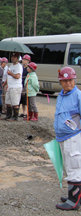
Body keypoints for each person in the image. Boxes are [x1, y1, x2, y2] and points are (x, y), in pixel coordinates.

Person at [54, 67, 81, 210]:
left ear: (74, 80)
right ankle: (76, 195)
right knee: (68, 164)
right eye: (64, 81)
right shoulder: (61, 95)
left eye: (70, 80)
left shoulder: (78, 95)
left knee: (74, 165)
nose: (67, 83)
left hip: (74, 136)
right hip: (63, 136)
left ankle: (74, 200)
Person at [4, 52, 23, 121]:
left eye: (14, 57)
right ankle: (8, 115)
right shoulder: (11, 66)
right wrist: (7, 84)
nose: (13, 58)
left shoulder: (19, 66)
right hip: (10, 86)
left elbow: (17, 76)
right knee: (8, 102)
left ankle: (15, 116)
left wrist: (11, 73)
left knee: (15, 102)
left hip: (16, 86)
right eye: (12, 57)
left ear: (17, 58)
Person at [19, 54, 31, 119]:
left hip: (25, 85)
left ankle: (26, 113)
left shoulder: (28, 68)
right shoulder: (21, 67)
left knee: (25, 100)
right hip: (20, 84)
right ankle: (23, 112)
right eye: (23, 59)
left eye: (25, 60)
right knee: (21, 100)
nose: (23, 61)